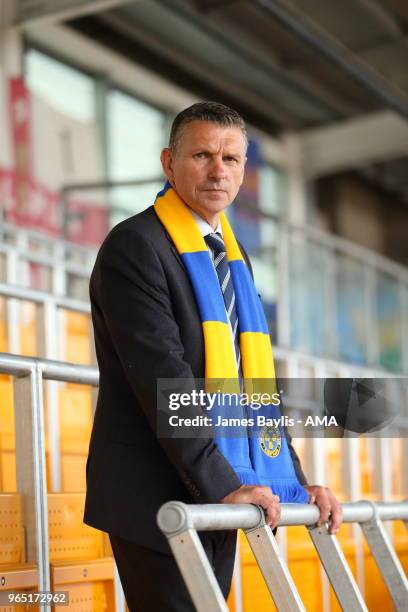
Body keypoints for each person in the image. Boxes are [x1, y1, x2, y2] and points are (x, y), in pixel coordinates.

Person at [84, 101, 342, 611]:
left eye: (231, 159)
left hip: (219, 484)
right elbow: (165, 379)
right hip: (158, 492)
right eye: (201, 154)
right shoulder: (136, 245)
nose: (218, 169)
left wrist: (292, 482)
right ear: (168, 163)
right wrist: (223, 487)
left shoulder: (233, 258)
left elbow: (253, 388)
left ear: (244, 170)